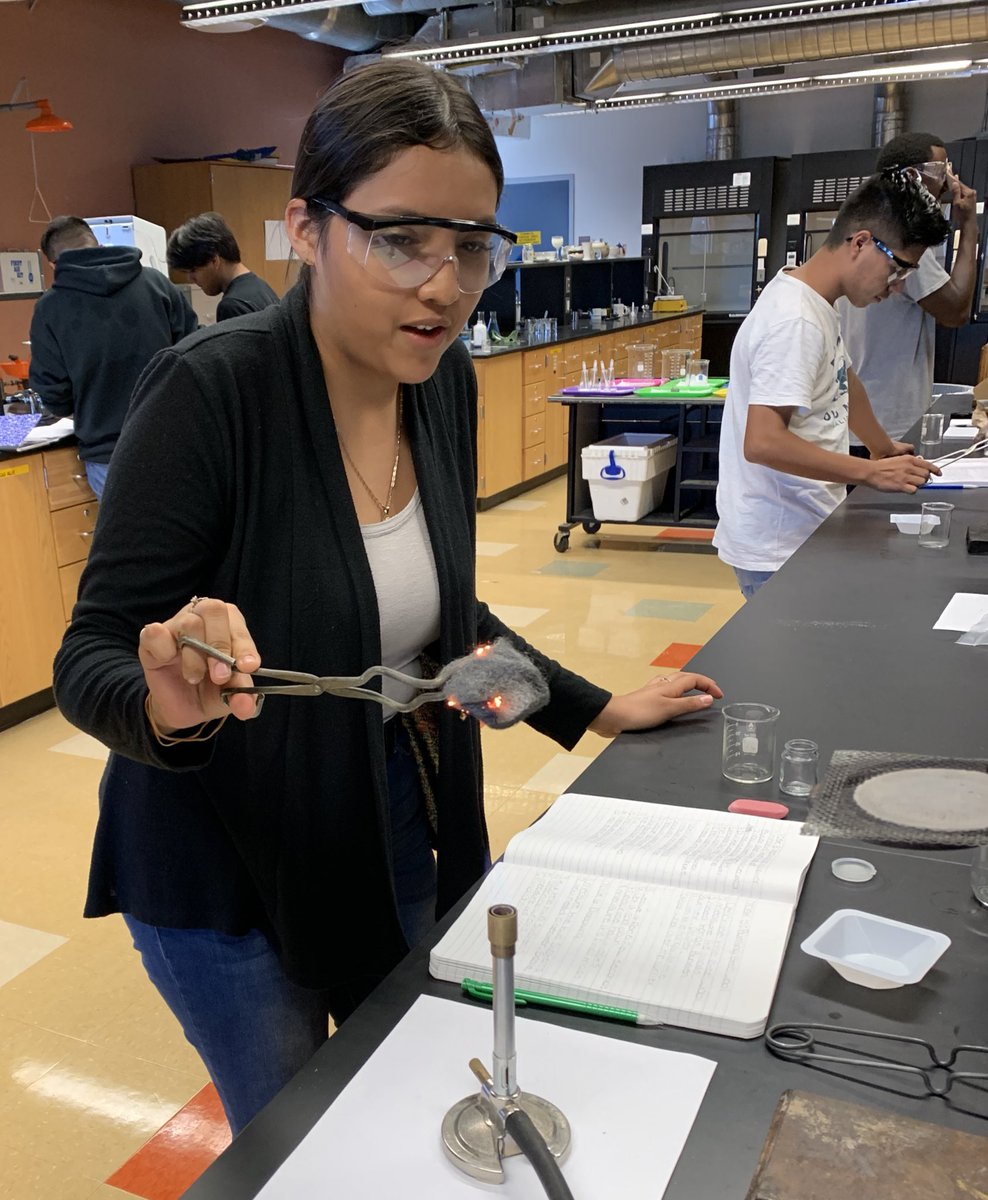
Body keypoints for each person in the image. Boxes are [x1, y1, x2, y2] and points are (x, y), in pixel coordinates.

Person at [52, 61, 723, 1136]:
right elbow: (88, 654)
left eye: (471, 245)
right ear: (307, 230)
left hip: (397, 815)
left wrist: (588, 707)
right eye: (403, 239)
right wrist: (166, 696)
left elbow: (442, 629)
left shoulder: (439, 382)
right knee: (304, 1137)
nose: (447, 284)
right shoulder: (214, 391)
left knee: (412, 1096)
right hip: (231, 867)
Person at [714, 171, 949, 599]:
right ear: (860, 243)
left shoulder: (816, 300)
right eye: (897, 269)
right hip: (779, 546)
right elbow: (763, 442)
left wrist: (880, 445)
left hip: (805, 527)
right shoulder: (795, 320)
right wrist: (871, 472)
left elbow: (844, 379)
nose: (897, 287)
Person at [28, 216, 197, 498]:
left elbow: (54, 394)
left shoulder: (50, 309)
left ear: (53, 264)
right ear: (98, 244)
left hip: (109, 454)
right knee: (194, 537)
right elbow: (195, 353)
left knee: (129, 540)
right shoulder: (156, 284)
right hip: (175, 440)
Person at [837, 133, 978, 449]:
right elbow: (956, 311)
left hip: (863, 416)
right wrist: (969, 226)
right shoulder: (899, 235)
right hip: (886, 421)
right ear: (912, 176)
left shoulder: (866, 219)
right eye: (942, 172)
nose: (948, 184)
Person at [166, 211, 279, 320]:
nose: (190, 279)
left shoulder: (232, 306)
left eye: (193, 270)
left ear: (214, 260)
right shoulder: (260, 287)